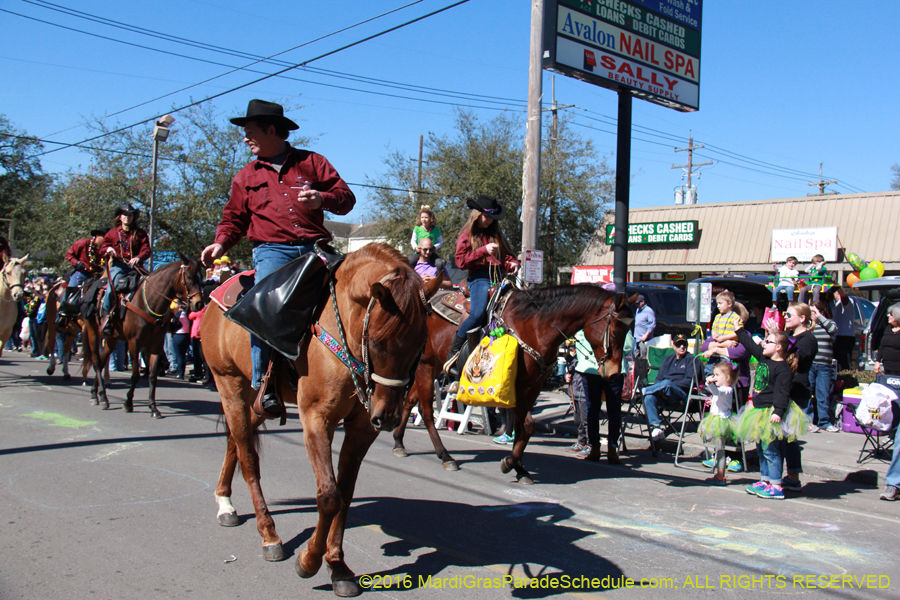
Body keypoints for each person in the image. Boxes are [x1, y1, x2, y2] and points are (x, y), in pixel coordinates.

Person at [200, 99, 355, 417]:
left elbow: (346, 199)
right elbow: (233, 219)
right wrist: (220, 244)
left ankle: (361, 375)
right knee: (265, 303)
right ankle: (265, 383)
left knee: (354, 296)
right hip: (273, 250)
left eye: (250, 131)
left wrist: (322, 198)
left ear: (272, 130)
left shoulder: (312, 162)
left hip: (315, 249)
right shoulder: (245, 177)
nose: (245, 137)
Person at [735, 328, 809, 500]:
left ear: (778, 348)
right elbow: (749, 343)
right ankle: (765, 480)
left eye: (768, 341)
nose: (763, 342)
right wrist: (739, 329)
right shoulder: (763, 358)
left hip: (771, 411)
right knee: (761, 448)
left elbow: (782, 393)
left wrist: (779, 411)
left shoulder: (783, 369)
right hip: (758, 410)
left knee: (771, 450)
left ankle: (776, 486)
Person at [446, 194, 520, 366]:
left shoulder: (497, 234)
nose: (488, 220)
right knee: (478, 313)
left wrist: (513, 263)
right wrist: (483, 251)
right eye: (486, 216)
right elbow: (460, 261)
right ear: (477, 214)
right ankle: (454, 351)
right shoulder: (467, 235)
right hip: (479, 277)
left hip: (499, 278)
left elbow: (507, 256)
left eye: (492, 217)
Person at [768, 302, 817, 492]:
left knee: (789, 437)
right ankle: (778, 477)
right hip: (781, 391)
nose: (785, 317)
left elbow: (794, 355)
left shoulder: (808, 339)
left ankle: (793, 477)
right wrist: (773, 337)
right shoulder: (787, 336)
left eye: (789, 315)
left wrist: (779, 337)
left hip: (797, 392)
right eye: (785, 315)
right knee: (779, 437)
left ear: (802, 318)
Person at [572, 328, 630, 463]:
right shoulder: (615, 318)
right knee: (613, 410)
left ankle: (595, 448)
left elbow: (580, 341)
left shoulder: (589, 319)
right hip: (612, 367)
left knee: (593, 409)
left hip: (592, 368)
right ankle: (611, 449)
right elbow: (628, 347)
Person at [100, 204, 150, 334]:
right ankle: (107, 319)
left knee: (151, 286)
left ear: (133, 217)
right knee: (112, 288)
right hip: (119, 266)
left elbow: (146, 250)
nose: (127, 217)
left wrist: (138, 258)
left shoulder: (141, 234)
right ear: (120, 217)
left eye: (130, 215)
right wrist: (108, 249)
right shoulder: (112, 233)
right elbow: (102, 248)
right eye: (125, 215)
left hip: (136, 267)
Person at [644, 334, 702, 442]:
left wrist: (669, 386)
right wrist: (661, 392)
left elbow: (689, 381)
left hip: (682, 395)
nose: (681, 347)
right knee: (649, 398)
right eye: (678, 344)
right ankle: (656, 428)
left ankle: (643, 391)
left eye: (684, 344)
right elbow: (658, 378)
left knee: (667, 383)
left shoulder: (692, 360)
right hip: (664, 393)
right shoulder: (668, 359)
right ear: (673, 346)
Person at [700, 361, 740, 486]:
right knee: (718, 449)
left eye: (717, 375)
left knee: (720, 449)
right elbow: (717, 396)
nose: (714, 377)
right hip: (716, 418)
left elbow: (717, 393)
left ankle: (720, 476)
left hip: (721, 420)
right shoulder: (722, 390)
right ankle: (719, 474)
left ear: (727, 377)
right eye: (714, 375)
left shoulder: (727, 389)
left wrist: (708, 382)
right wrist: (712, 401)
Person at [875, 304, 900, 501]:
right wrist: (878, 360)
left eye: (891, 313)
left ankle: (893, 483)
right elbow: (882, 346)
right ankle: (894, 483)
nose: (888, 316)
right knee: (893, 430)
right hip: (890, 383)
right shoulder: (887, 331)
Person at [807, 300, 839, 432]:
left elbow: (833, 330)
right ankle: (807, 421)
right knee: (807, 393)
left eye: (813, 311)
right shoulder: (809, 325)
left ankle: (824, 422)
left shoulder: (829, 324)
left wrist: (819, 316)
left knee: (823, 393)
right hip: (811, 364)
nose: (812, 314)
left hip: (825, 365)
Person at [705, 291, 742, 376]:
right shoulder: (718, 317)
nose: (718, 306)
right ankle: (708, 386)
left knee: (723, 371)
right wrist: (714, 334)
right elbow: (714, 328)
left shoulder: (735, 317)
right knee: (709, 368)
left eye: (720, 303)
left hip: (726, 350)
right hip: (716, 348)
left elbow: (738, 333)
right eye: (717, 303)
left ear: (729, 304)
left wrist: (724, 338)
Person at [830, 287, 855, 371]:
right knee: (838, 361)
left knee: (845, 361)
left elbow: (845, 298)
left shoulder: (848, 302)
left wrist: (838, 288)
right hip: (837, 336)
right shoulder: (836, 304)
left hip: (845, 336)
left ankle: (846, 378)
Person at [169, 301, 191, 380]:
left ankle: (180, 373)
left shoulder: (177, 314)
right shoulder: (188, 315)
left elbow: (173, 324)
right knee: (183, 356)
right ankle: (182, 373)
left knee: (179, 356)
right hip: (186, 335)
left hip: (178, 335)